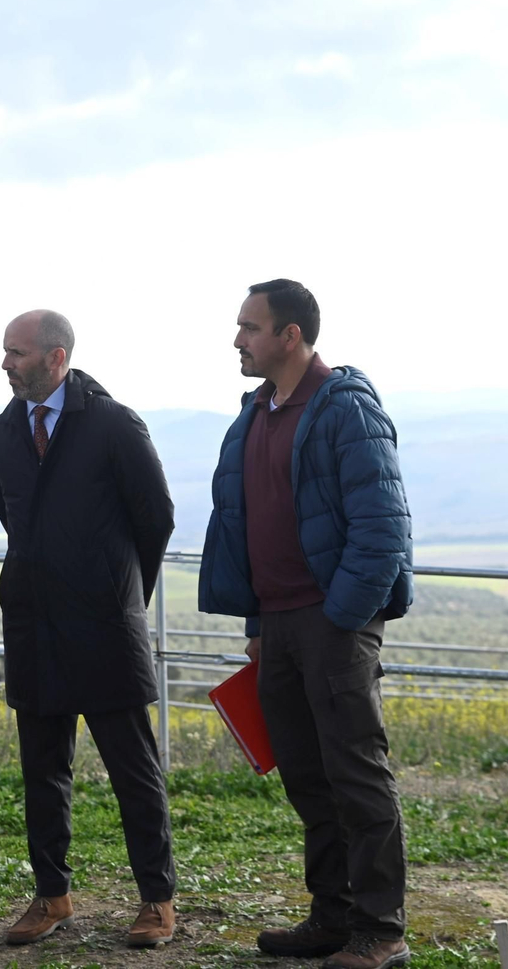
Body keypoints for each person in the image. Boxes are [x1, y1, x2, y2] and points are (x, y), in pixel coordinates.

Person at [199, 279, 413, 969]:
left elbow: (384, 529)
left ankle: (381, 930)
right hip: (280, 624)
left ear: (290, 335)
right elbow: (250, 522)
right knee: (306, 775)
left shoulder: (346, 408)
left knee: (355, 774)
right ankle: (332, 915)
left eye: (250, 327)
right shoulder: (257, 411)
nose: (238, 339)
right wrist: (260, 619)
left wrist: (341, 618)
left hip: (333, 621)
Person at [0, 310, 180, 949]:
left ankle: (157, 900)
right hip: (33, 623)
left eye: (16, 352)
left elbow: (156, 518)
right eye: (5, 351)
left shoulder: (113, 425)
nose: (5, 363)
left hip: (104, 625)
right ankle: (52, 894)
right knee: (42, 769)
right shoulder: (1, 433)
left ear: (56, 357)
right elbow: (16, 521)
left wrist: (121, 592)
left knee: (133, 769)